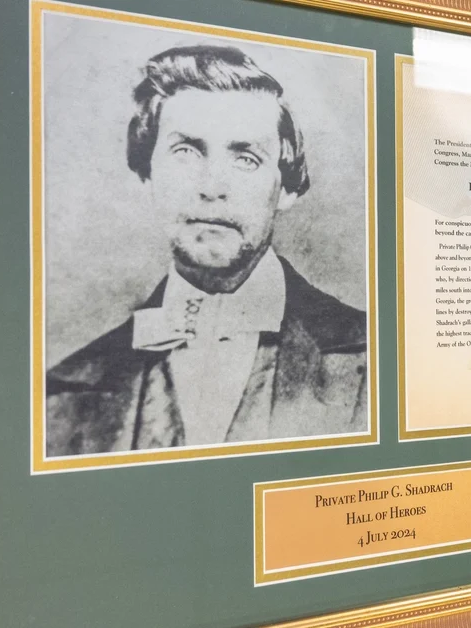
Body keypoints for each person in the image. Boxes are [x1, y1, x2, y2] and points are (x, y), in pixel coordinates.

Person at [46, 45, 368, 455]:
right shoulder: (67, 390)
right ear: (148, 175)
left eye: (246, 159)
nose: (212, 186)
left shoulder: (374, 359)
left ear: (286, 188)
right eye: (186, 152)